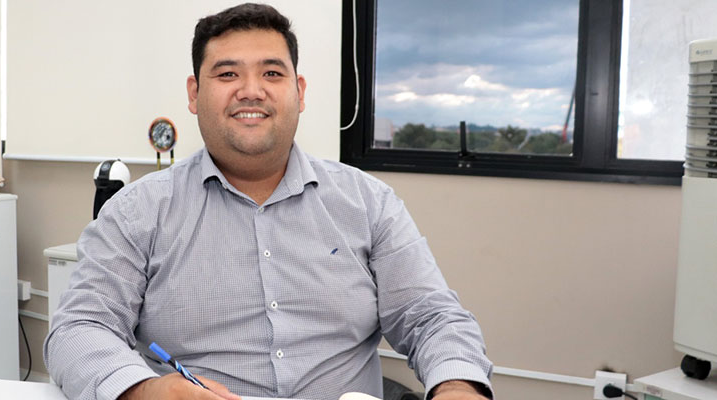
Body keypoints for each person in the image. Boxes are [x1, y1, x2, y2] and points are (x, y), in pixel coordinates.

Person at [44, 3, 494, 400]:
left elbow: (430, 316)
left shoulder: (369, 203)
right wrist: (142, 390)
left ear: (300, 91)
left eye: (272, 73)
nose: (251, 90)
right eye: (227, 74)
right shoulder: (137, 212)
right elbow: (79, 328)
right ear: (194, 94)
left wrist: (457, 386)